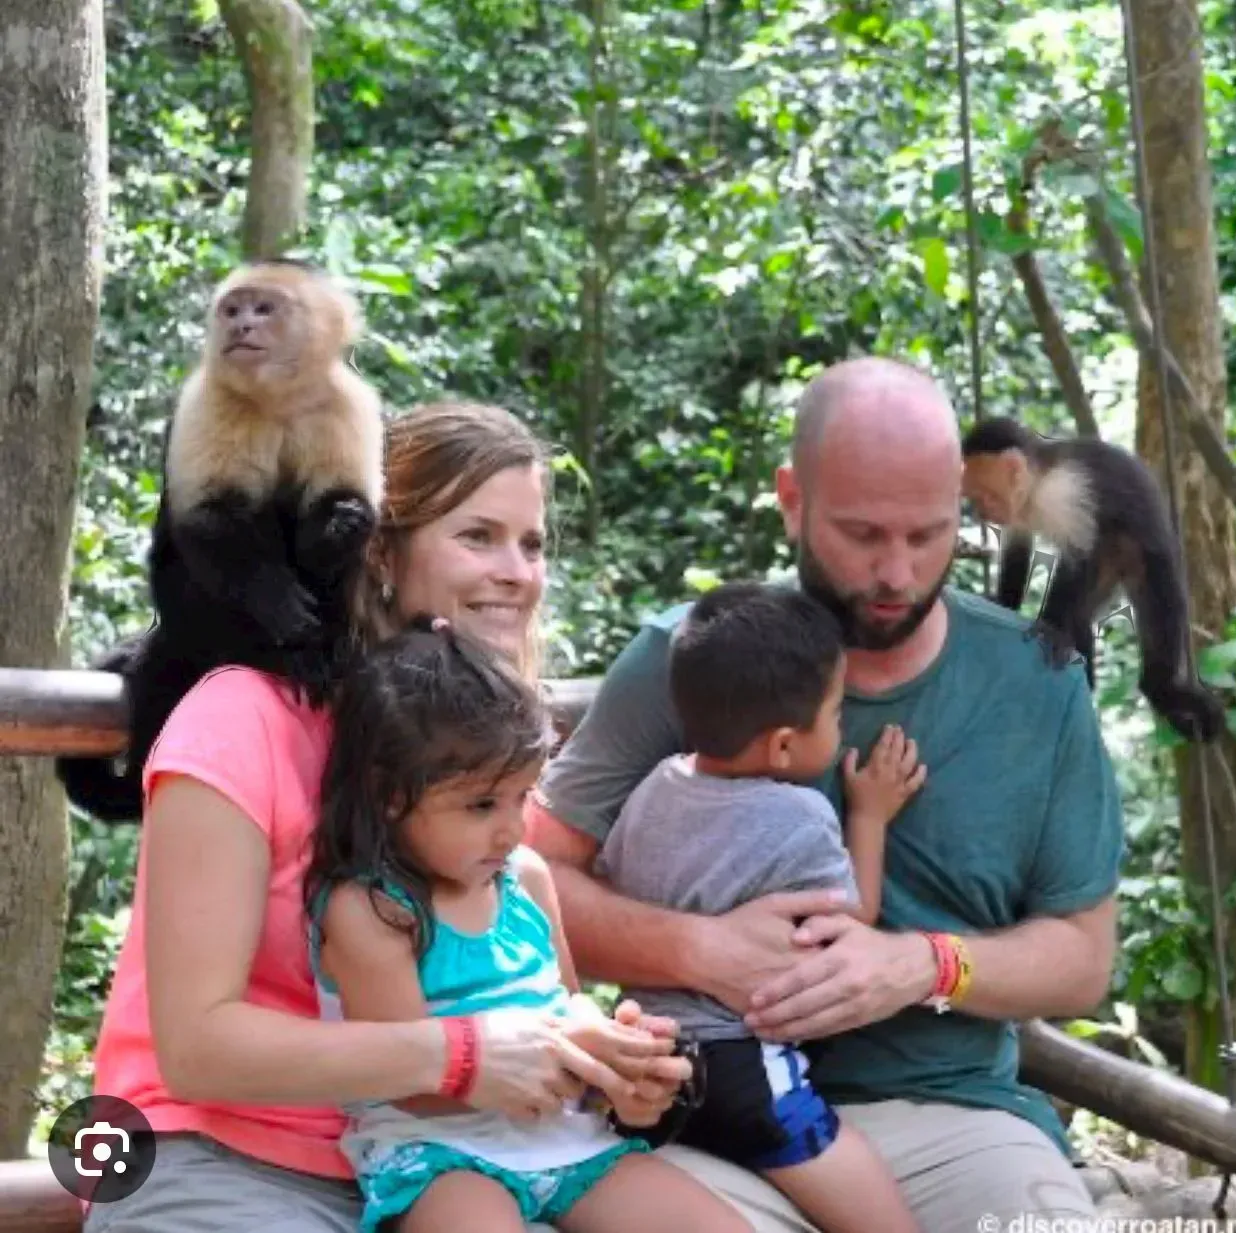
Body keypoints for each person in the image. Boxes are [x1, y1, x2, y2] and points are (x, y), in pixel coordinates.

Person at [526, 357, 1126, 1233]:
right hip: (707, 1118)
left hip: (954, 1121)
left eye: (928, 535)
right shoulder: (687, 661)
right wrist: (699, 949)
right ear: (792, 500)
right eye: (862, 534)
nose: (896, 572)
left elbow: (1082, 958)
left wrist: (924, 964)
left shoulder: (1036, 680)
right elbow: (526, 880)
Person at [84, 401, 689, 1233]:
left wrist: (605, 1063)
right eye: (477, 536)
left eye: (533, 542)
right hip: (224, 1154)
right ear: (379, 550)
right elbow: (194, 1047)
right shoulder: (242, 717)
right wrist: (463, 1054)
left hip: (469, 1156)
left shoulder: (490, 751)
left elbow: (528, 995)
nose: (516, 570)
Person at [304, 616, 752, 1233]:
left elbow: (567, 1005)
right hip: (441, 1149)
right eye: (481, 804)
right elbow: (408, 1077)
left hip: (567, 1136)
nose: (512, 829)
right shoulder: (373, 910)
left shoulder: (527, 877)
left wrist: (624, 1071)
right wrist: (568, 1053)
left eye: (523, 797)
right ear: (389, 795)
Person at [594, 580, 925, 1233]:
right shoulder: (800, 814)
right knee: (837, 1159)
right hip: (743, 1065)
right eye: (834, 714)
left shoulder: (654, 787)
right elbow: (850, 919)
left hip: (650, 1057)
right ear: (781, 745)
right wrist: (871, 815)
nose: (839, 725)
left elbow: (616, 874)